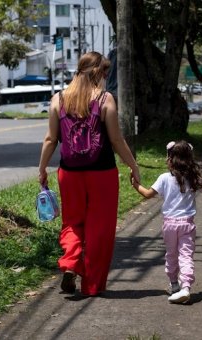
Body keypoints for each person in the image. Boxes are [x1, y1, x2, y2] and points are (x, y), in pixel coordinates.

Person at [38, 51, 140, 297]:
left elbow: (51, 139)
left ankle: (71, 262)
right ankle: (92, 285)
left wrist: (42, 168)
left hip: (69, 173)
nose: (107, 77)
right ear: (99, 73)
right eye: (105, 72)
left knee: (72, 222)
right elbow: (116, 140)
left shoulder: (58, 99)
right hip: (101, 174)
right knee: (100, 227)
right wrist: (133, 166)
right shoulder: (106, 99)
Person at [131, 140, 202, 304]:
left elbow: (148, 194)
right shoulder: (194, 178)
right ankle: (185, 286)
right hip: (187, 224)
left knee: (171, 255)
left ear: (170, 159)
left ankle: (174, 285)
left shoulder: (164, 178)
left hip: (169, 225)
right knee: (186, 256)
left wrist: (135, 184)